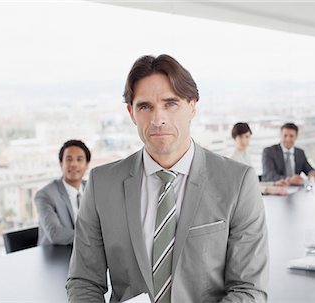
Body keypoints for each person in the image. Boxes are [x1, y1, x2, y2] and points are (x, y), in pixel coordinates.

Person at [66, 55, 269, 302]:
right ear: (131, 112)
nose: (157, 119)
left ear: (192, 106)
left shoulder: (238, 182)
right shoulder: (102, 184)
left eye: (170, 104)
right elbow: (84, 282)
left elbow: (248, 288)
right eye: (145, 106)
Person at [35, 140, 91, 245]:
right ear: (61, 163)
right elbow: (55, 234)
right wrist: (92, 237)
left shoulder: (92, 189)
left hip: (85, 254)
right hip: (56, 256)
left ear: (87, 164)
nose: (74, 164)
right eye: (69, 159)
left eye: (79, 159)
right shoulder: (45, 195)